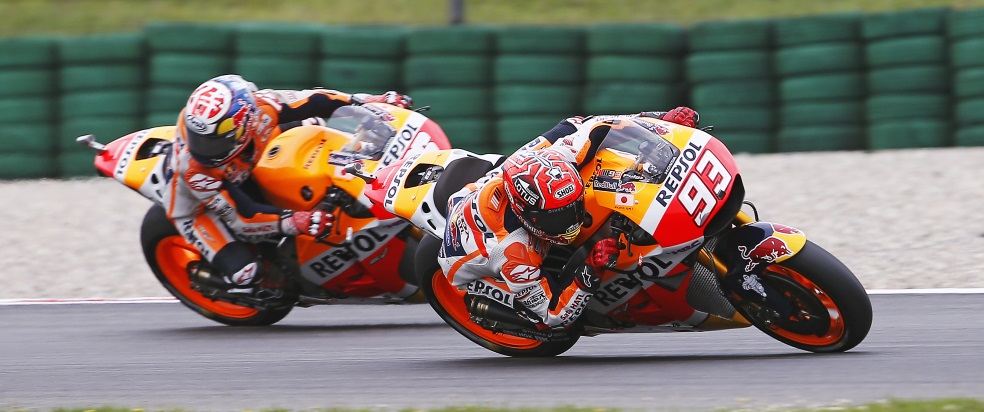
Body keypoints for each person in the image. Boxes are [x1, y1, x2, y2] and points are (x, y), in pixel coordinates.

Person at [437, 106, 699, 330]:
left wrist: (661, 119)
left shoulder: (560, 155)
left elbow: (597, 125)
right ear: (528, 216)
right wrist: (591, 269)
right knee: (555, 323)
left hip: (492, 186)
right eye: (557, 217)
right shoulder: (513, 254)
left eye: (573, 208)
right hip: (473, 260)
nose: (571, 221)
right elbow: (554, 314)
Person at [163, 74, 412, 297]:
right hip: (199, 208)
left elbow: (315, 99)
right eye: (201, 140)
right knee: (246, 276)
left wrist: (369, 102)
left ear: (243, 125)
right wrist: (297, 221)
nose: (203, 150)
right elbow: (243, 216)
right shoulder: (196, 168)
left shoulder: (262, 107)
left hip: (248, 164)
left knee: (313, 124)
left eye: (212, 143)